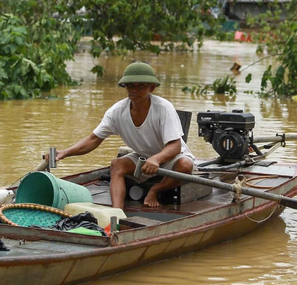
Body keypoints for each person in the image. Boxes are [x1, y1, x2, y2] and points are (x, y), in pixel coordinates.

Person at [51, 62, 194, 209]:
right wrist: (65, 153)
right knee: (116, 165)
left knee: (185, 165)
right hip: (142, 157)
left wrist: (157, 159)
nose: (135, 91)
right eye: (130, 86)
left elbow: (175, 146)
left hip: (171, 157)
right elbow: (93, 139)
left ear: (151, 88)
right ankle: (116, 212)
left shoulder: (164, 108)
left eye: (141, 87)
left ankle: (155, 190)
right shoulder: (117, 112)